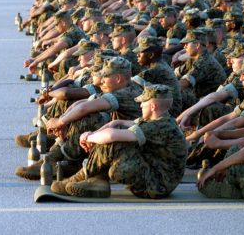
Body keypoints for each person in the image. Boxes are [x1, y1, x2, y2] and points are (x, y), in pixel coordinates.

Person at [51, 84, 186, 198]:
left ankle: (86, 177)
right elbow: (122, 124)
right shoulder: (161, 119)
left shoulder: (160, 126)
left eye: (143, 103)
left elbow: (111, 136)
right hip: (154, 174)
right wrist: (109, 126)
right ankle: (98, 181)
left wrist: (88, 137)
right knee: (113, 132)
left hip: (156, 185)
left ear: (152, 107)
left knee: (114, 141)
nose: (140, 106)